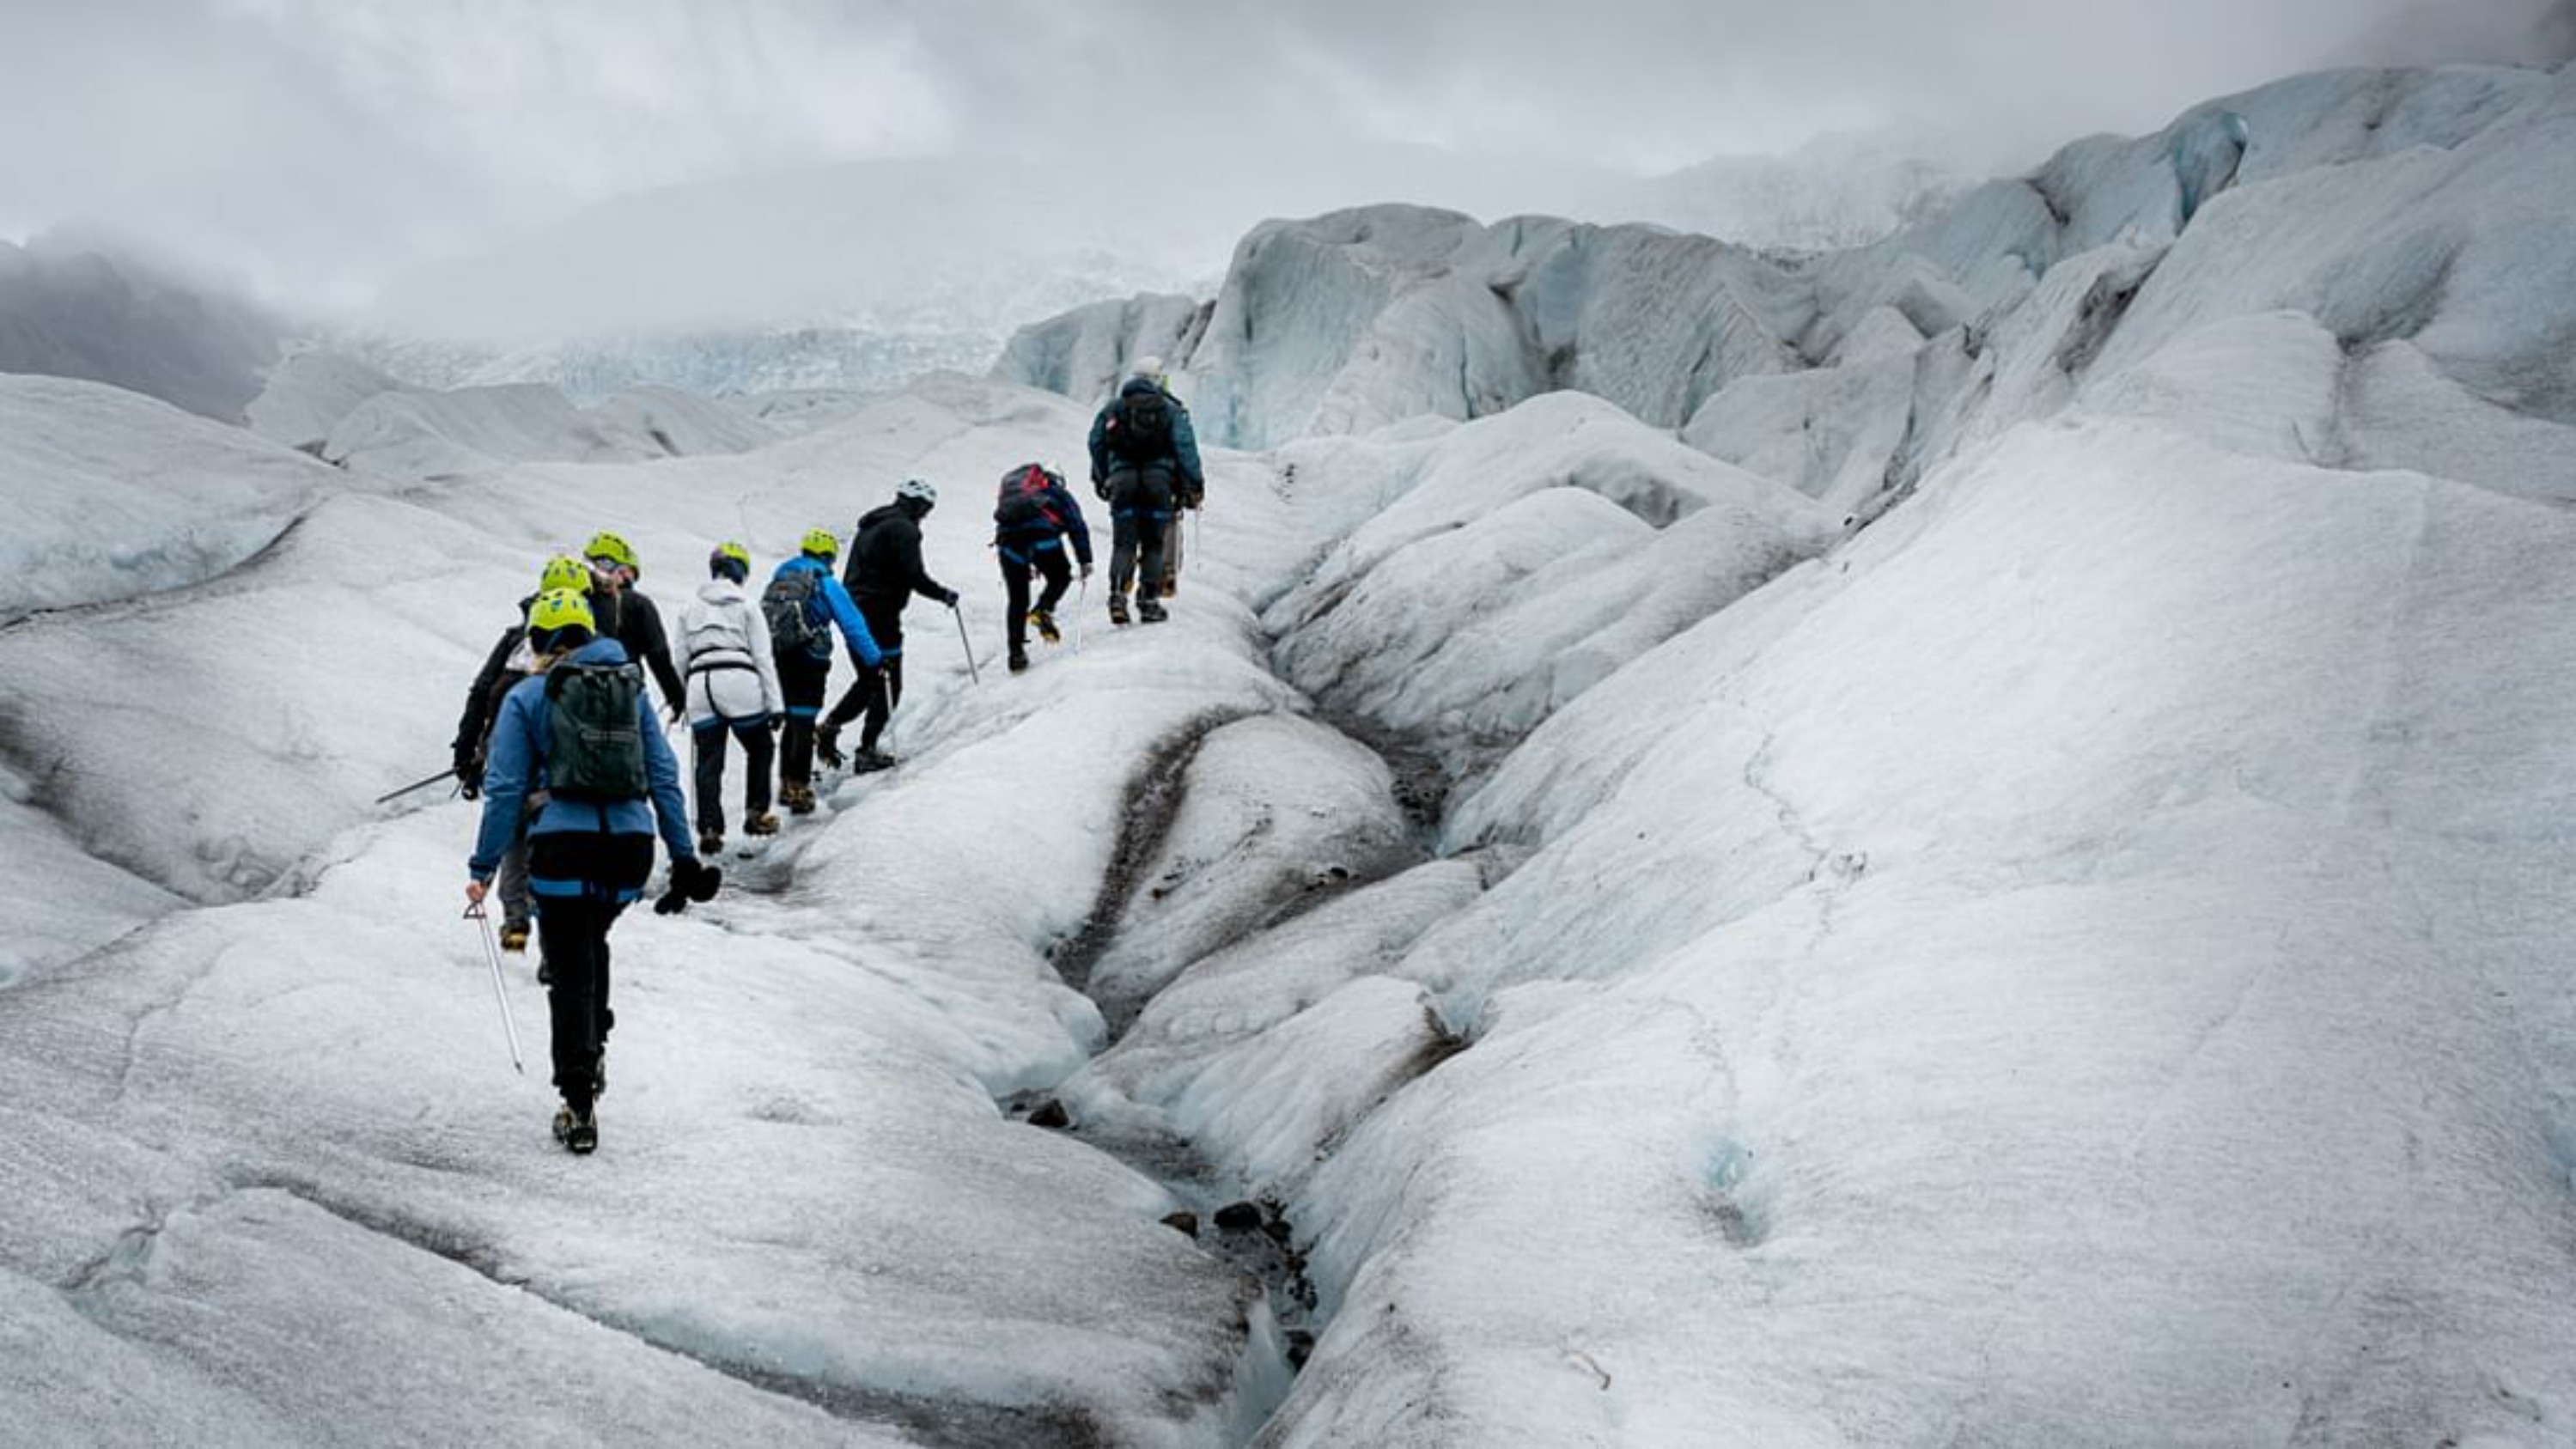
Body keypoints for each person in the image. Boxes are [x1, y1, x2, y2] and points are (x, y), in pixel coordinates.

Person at [465, 588, 711, 1155]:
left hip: (561, 848)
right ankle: (593, 1038)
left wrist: (482, 865)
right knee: (591, 936)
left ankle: (578, 1101)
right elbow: (664, 777)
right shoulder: (631, 691)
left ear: (542, 641)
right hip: (630, 850)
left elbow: (504, 789)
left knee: (570, 962)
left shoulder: (528, 696)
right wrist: (683, 855)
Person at [451, 552, 592, 953]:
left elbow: (481, 692)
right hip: (569, 772)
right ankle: (553, 932)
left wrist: (466, 753)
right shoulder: (595, 647)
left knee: (514, 822)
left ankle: (515, 916)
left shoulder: (516, 640)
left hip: (506, 748)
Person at [820, 478, 956, 771]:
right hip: (881, 614)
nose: (927, 515)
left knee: (870, 679)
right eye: (927, 508)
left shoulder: (872, 523)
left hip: (854, 612)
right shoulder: (904, 529)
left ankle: (831, 726)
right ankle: (866, 750)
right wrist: (942, 594)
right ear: (918, 504)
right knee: (889, 682)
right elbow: (913, 575)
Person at [764, 527, 885, 813]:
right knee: (805, 720)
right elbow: (853, 624)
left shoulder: (779, 580)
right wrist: (875, 660)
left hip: (780, 656)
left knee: (793, 718)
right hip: (809, 657)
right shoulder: (824, 582)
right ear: (828, 557)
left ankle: (785, 784)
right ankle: (799, 787)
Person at [676, 541, 785, 853]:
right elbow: (764, 657)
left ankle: (709, 829)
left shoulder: (688, 608)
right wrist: (775, 705)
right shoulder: (748, 606)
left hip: (700, 684)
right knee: (760, 747)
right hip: (739, 680)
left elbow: (679, 658)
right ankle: (757, 813)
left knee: (709, 760)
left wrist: (679, 698)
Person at [1087, 357, 1203, 625]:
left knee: (1124, 542)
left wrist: (1104, 478)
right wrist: (1194, 484)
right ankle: (1148, 602)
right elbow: (1185, 447)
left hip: (1123, 483)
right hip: (1158, 484)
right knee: (1153, 544)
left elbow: (1096, 443)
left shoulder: (1113, 409)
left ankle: (1117, 596)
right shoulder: (1170, 409)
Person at [991, 462, 1094, 673]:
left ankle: (1016, 654)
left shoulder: (1017, 496)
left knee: (1017, 599)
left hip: (1008, 543)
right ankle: (1043, 609)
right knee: (1060, 577)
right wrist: (1085, 559)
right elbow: (1077, 525)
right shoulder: (1058, 493)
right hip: (1042, 537)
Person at [581, 531, 688, 722]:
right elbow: (659, 656)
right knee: (653, 751)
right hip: (625, 694)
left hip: (576, 694)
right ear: (619, 569)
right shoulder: (638, 604)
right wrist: (676, 697)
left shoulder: (574, 601)